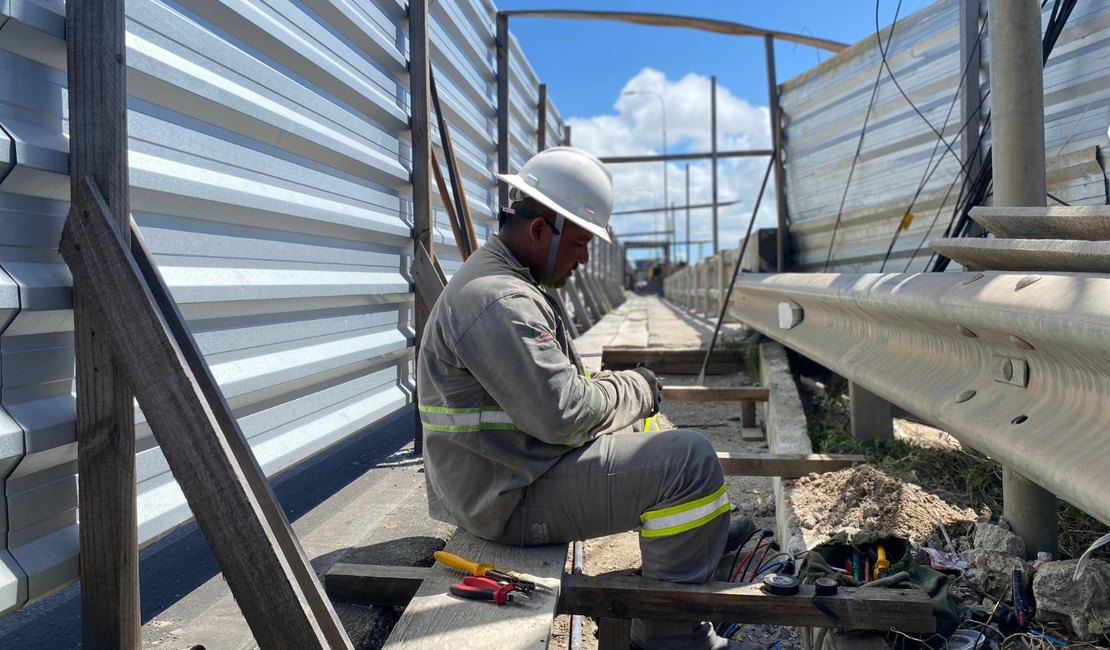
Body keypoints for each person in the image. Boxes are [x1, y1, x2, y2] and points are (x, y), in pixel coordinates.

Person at [417, 147, 762, 650]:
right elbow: (565, 414)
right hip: (504, 497)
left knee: (651, 434)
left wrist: (628, 403)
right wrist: (638, 387)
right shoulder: (499, 299)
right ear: (540, 231)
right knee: (690, 461)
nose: (583, 258)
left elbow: (559, 395)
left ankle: (694, 546)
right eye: (580, 243)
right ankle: (666, 638)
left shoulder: (510, 280)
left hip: (508, 469)